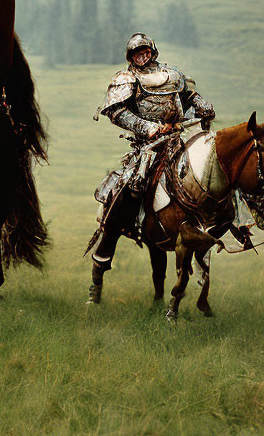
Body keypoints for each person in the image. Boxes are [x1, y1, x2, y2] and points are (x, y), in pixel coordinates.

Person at [86, 33, 216, 303]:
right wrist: (148, 128)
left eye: (145, 51)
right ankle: (115, 235)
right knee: (128, 188)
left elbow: (190, 94)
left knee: (211, 174)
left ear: (152, 52)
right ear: (131, 57)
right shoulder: (127, 79)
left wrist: (202, 106)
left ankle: (224, 221)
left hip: (178, 139)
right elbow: (116, 112)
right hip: (147, 148)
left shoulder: (172, 74)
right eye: (136, 53)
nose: (142, 56)